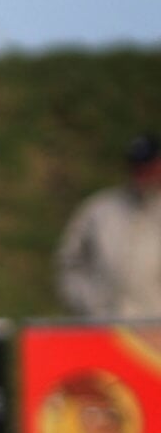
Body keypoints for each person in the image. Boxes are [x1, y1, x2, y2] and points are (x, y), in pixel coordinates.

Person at [55, 132, 161, 320]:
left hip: (155, 329)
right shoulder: (99, 210)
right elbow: (69, 262)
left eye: (148, 166)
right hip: (106, 329)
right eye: (136, 166)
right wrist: (88, 303)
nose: (142, 173)